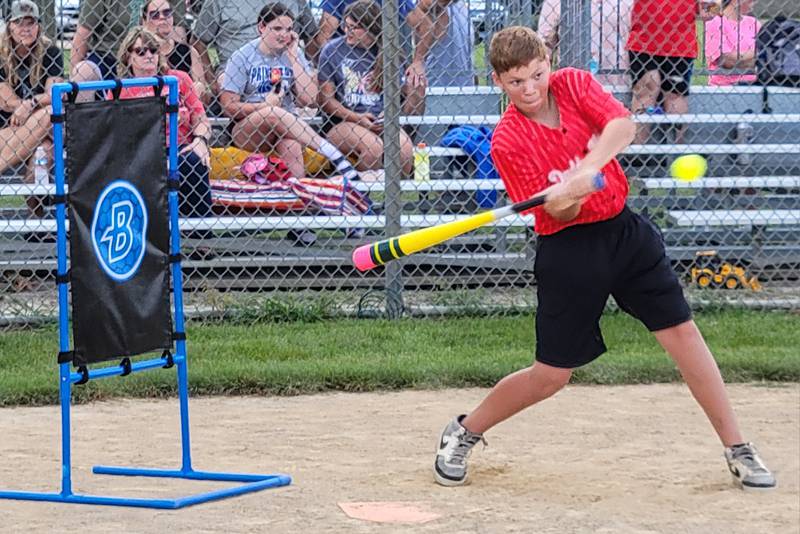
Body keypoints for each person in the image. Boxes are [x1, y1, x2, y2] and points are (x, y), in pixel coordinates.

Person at [433, 26, 776, 492]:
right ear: (498, 82)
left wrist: (587, 166)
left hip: (625, 232)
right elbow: (558, 213)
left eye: (537, 74)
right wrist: (565, 196)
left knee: (682, 333)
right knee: (551, 376)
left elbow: (622, 125)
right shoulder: (507, 142)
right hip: (569, 249)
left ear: (547, 63)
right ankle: (466, 429)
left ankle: (738, 446)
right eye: (516, 82)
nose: (531, 89)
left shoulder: (572, 83)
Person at [220, 2, 361, 183]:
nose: (283, 35)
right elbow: (229, 106)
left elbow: (309, 99)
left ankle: (295, 200)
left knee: (292, 146)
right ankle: (329, 151)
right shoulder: (241, 57)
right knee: (272, 113)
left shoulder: (294, 53)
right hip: (249, 129)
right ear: (261, 28)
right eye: (277, 28)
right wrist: (264, 106)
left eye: (288, 29)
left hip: (286, 128)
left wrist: (294, 56)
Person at [115, 26, 213, 225]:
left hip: (182, 147)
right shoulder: (120, 89)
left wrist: (201, 141)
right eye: (141, 51)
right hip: (143, 151)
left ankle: (200, 238)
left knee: (194, 161)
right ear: (128, 57)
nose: (148, 55)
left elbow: (201, 119)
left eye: (153, 50)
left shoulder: (179, 79)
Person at [318, 0, 421, 175]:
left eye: (355, 27)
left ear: (372, 30)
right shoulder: (332, 50)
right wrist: (357, 118)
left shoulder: (389, 52)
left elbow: (402, 97)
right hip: (344, 122)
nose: (347, 31)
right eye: (346, 25)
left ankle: (393, 201)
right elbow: (325, 101)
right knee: (372, 148)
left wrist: (389, 114)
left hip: (381, 120)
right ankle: (361, 198)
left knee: (404, 150)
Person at [0, 0, 64, 216]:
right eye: (19, 22)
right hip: (6, 129)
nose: (25, 28)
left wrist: (30, 105)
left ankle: (38, 218)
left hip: (38, 124)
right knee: (45, 123)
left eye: (31, 22)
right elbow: (6, 102)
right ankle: (38, 217)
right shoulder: (0, 54)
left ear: (39, 25)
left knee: (43, 147)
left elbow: (54, 95)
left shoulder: (51, 51)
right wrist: (31, 108)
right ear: (10, 26)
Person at [625, 0, 719, 144]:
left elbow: (710, 12)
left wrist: (710, 5)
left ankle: (677, 150)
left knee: (675, 94)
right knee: (646, 90)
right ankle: (637, 151)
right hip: (643, 41)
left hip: (679, 44)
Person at [70, 0, 187, 100]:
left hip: (153, 55)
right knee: (85, 71)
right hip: (108, 58)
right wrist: (73, 77)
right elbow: (82, 35)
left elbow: (178, 33)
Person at [193, 0, 319, 92]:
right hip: (234, 67)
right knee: (225, 82)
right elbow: (198, 41)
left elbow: (312, 37)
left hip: (284, 63)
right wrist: (212, 80)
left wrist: (306, 66)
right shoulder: (218, 2)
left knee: (309, 82)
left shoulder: (297, 2)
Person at [537, 0, 632, 86]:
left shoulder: (628, 3)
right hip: (574, 87)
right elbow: (544, 45)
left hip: (619, 84)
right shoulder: (555, 2)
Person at [142, 0, 211, 103]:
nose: (162, 17)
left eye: (167, 13)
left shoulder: (189, 52)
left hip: (186, 108)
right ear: (145, 21)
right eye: (155, 15)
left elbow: (203, 95)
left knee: (198, 86)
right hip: (152, 106)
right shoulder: (141, 53)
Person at [704, 0, 760, 86]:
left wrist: (741, 57)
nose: (754, 2)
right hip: (725, 87)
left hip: (755, 85)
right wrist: (757, 55)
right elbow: (727, 62)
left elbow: (767, 59)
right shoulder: (714, 24)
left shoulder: (754, 23)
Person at [423, 0, 474, 87]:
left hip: (465, 91)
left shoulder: (462, 8)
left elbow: (470, 59)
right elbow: (427, 4)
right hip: (436, 91)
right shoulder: (432, 5)